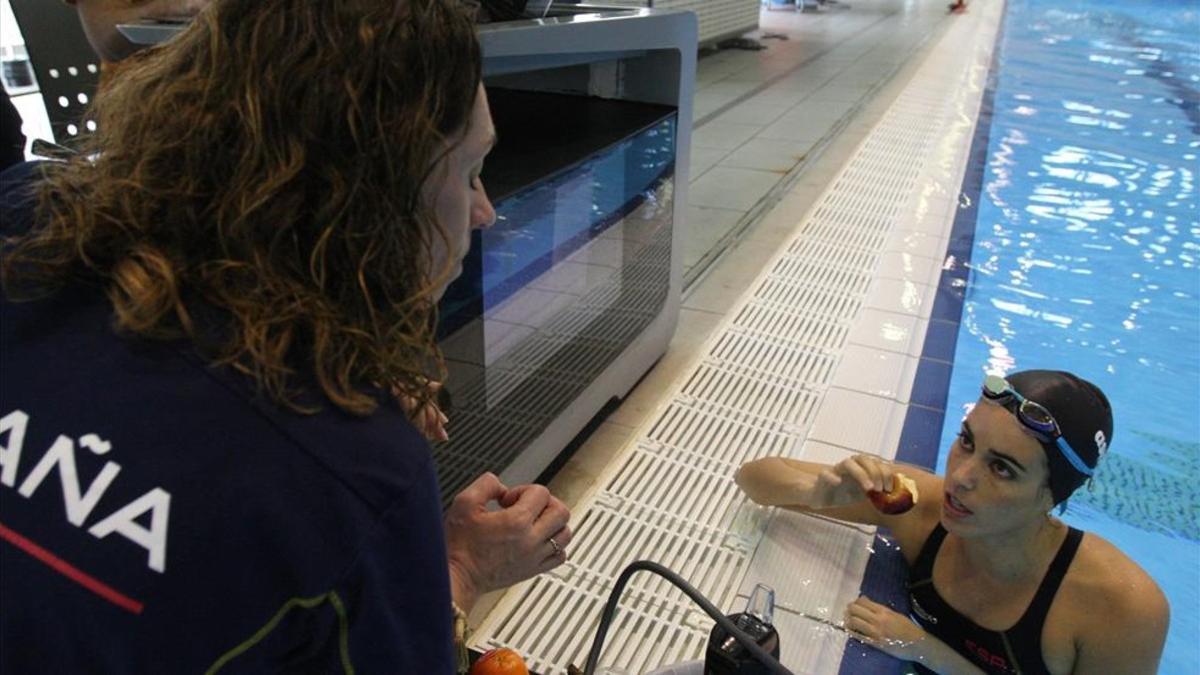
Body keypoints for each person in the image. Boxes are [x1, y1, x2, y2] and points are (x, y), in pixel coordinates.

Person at [0, 0, 572, 672]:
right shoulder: (358, 470)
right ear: (379, 198)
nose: (485, 209)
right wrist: (460, 566)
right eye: (468, 169)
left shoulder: (26, 212)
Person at [735, 370, 1169, 674]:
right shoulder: (923, 509)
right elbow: (753, 478)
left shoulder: (1121, 608)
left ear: (1052, 496)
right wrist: (820, 493)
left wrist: (930, 652)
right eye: (967, 441)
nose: (959, 479)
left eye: (1002, 469)